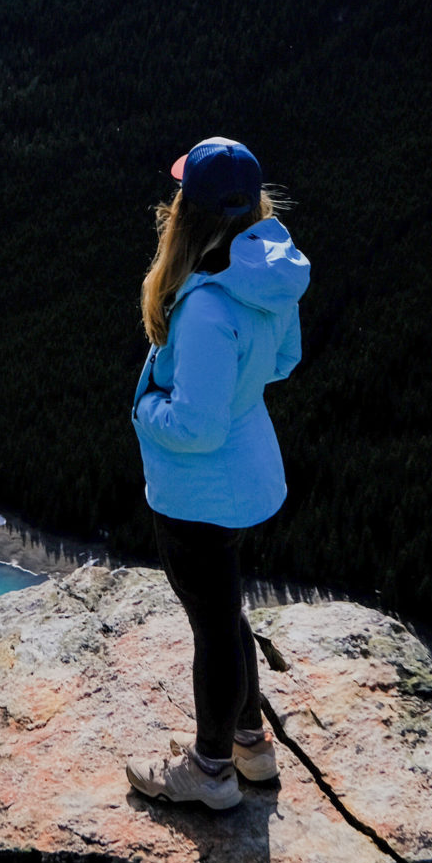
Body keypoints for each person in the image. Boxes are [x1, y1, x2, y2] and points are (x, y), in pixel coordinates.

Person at [125, 136, 309, 813]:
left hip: (199, 493)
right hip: (248, 473)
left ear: (188, 212)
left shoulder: (204, 306)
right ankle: (250, 746)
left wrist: (148, 409)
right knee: (224, 616)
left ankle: (207, 774)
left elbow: (195, 429)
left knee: (213, 628)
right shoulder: (264, 276)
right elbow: (285, 360)